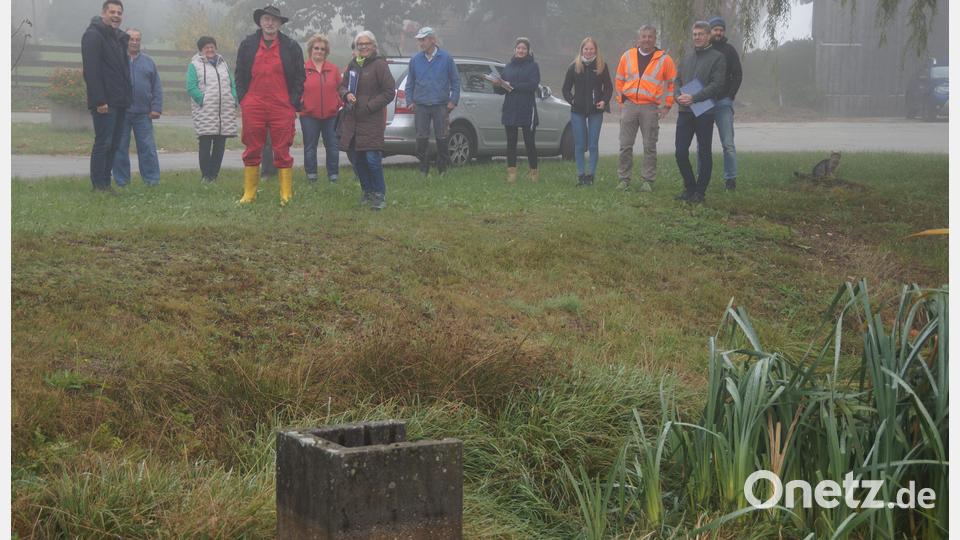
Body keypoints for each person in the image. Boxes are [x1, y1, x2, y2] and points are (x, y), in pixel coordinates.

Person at [234, 5, 305, 206]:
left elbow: (300, 76)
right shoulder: (248, 44)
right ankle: (249, 194)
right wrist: (243, 99)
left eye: (274, 19)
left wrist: (293, 102)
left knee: (282, 148)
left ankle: (286, 194)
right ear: (260, 22)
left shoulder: (291, 46)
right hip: (253, 103)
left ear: (280, 23)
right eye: (266, 19)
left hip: (282, 104)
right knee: (252, 147)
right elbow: (239, 74)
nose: (270, 23)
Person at [338, 31, 396, 210]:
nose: (363, 46)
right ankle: (367, 191)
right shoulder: (353, 65)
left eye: (367, 43)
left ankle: (379, 194)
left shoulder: (380, 65)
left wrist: (370, 106)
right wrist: (346, 94)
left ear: (374, 46)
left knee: (372, 159)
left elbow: (389, 92)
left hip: (371, 120)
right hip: (353, 119)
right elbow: (341, 86)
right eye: (360, 44)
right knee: (357, 159)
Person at [614, 25, 676, 192]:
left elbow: (672, 84)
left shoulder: (664, 59)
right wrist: (621, 101)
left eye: (650, 36)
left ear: (655, 39)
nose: (646, 39)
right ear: (638, 38)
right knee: (625, 145)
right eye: (643, 36)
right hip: (629, 106)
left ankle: (647, 181)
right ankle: (624, 179)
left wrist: (667, 105)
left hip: (650, 107)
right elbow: (619, 80)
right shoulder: (627, 56)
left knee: (649, 145)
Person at [80, 0, 132, 193]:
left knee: (114, 144)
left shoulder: (116, 38)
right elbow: (91, 71)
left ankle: (106, 184)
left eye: (119, 12)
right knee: (103, 142)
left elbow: (121, 71)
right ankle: (98, 185)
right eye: (112, 11)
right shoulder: (93, 36)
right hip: (105, 102)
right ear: (103, 13)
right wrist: (99, 100)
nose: (116, 15)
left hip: (120, 102)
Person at [674, 21, 726, 204]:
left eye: (701, 34)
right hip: (685, 111)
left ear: (708, 36)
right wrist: (677, 96)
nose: (697, 37)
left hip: (704, 111)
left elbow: (717, 85)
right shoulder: (686, 58)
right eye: (695, 34)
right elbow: (677, 81)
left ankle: (700, 193)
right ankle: (690, 188)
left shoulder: (718, 57)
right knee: (680, 152)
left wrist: (694, 98)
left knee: (704, 153)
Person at [405, 26, 460, 176]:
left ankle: (442, 169)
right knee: (421, 139)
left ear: (432, 40)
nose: (421, 43)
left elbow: (455, 81)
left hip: (440, 105)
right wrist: (410, 101)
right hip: (421, 106)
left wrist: (453, 100)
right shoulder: (415, 60)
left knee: (442, 138)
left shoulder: (446, 58)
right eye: (419, 40)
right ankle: (424, 168)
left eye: (423, 40)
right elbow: (409, 83)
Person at [111, 28, 161, 187]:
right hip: (121, 112)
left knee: (147, 148)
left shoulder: (149, 62)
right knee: (119, 148)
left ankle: (152, 181)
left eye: (137, 39)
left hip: (143, 114)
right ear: (125, 40)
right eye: (131, 39)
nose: (134, 42)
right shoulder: (117, 60)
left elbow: (157, 87)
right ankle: (121, 182)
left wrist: (156, 107)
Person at [186, 36, 239, 183]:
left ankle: (214, 175)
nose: (210, 50)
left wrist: (233, 98)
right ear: (201, 50)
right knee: (205, 144)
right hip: (205, 111)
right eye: (206, 47)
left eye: (212, 47)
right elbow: (191, 87)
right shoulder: (194, 65)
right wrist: (203, 99)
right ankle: (206, 175)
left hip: (224, 111)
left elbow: (232, 83)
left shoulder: (223, 64)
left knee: (220, 145)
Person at [562, 37, 612, 186]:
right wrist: (572, 100)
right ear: (581, 50)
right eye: (586, 49)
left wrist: (604, 100)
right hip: (578, 111)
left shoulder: (602, 66)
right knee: (579, 144)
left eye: (591, 49)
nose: (589, 51)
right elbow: (565, 88)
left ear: (595, 50)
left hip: (596, 111)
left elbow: (609, 87)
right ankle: (581, 175)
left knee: (593, 145)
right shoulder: (574, 66)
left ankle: (590, 175)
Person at [493, 37, 540, 183]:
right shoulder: (508, 67)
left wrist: (511, 84)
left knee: (529, 143)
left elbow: (532, 86)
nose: (521, 50)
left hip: (527, 109)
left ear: (528, 51)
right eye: (519, 48)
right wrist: (497, 85)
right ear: (515, 50)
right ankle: (511, 173)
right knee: (511, 143)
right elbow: (502, 91)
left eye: (524, 48)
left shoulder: (533, 66)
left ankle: (534, 172)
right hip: (510, 109)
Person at [300, 34, 342, 183]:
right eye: (316, 48)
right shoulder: (302, 69)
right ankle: (311, 175)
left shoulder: (333, 69)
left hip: (331, 115)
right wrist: (301, 102)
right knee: (310, 146)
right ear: (311, 50)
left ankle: (333, 176)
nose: (319, 51)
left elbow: (341, 88)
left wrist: (338, 103)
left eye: (322, 49)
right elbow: (296, 89)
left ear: (326, 52)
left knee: (332, 146)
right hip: (309, 115)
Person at [709, 16, 743, 191]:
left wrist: (730, 95)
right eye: (715, 29)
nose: (718, 32)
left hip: (723, 102)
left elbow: (737, 74)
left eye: (721, 29)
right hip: (705, 102)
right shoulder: (703, 50)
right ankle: (702, 178)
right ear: (710, 31)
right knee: (702, 144)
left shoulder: (730, 51)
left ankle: (730, 179)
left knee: (728, 144)